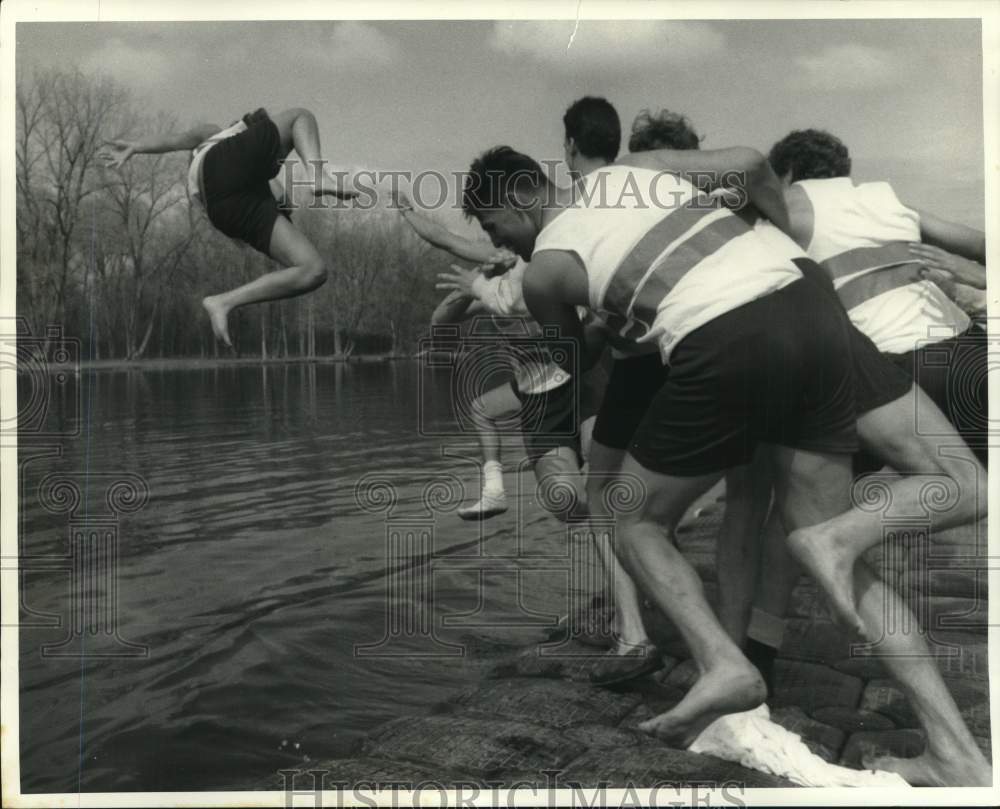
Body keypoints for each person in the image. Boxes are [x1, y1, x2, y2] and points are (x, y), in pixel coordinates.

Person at [460, 143, 990, 785]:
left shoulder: (545, 272)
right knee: (960, 487)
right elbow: (748, 162)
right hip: (814, 304)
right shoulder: (641, 172)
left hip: (728, 336)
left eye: (495, 227)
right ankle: (955, 751)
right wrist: (771, 229)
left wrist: (550, 452)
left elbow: (564, 366)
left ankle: (723, 662)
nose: (506, 246)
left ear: (519, 196)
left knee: (629, 517)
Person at [100, 107, 358, 347]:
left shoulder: (248, 173)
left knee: (313, 270)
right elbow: (177, 139)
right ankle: (317, 177)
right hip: (221, 180)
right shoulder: (214, 134)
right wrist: (135, 146)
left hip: (224, 211)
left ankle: (223, 302)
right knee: (300, 117)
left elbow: (272, 203)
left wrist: (135, 148)